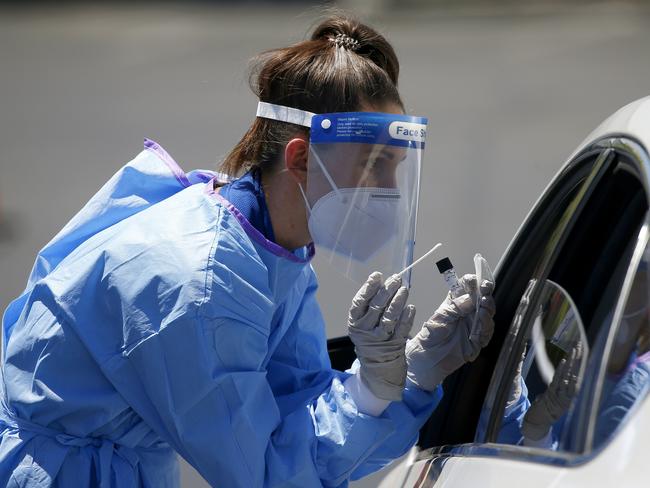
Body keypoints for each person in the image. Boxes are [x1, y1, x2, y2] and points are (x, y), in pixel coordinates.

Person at [0, 15, 495, 487]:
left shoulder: (273, 248)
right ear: (301, 158)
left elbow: (294, 419)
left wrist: (408, 373)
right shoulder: (199, 280)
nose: (388, 190)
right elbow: (264, 471)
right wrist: (375, 389)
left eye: (396, 168)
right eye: (374, 165)